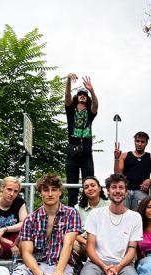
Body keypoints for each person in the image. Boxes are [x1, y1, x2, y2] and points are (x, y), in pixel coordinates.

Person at [65, 73, 98, 208]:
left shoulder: (90, 113)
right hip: (72, 154)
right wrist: (68, 80)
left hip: (86, 154)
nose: (82, 96)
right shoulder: (71, 111)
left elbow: (96, 106)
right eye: (80, 94)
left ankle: (88, 210)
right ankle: (72, 212)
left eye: (84, 94)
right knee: (72, 187)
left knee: (89, 184)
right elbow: (67, 98)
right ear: (77, 97)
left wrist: (91, 90)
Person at [114, 131, 151, 210]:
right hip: (125, 191)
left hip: (141, 192)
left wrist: (149, 181)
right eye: (137, 141)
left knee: (139, 216)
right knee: (123, 216)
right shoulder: (125, 155)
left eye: (142, 142)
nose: (140, 144)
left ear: (146, 143)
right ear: (134, 141)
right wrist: (116, 158)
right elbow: (118, 175)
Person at [73, 176, 110, 262]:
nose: (90, 188)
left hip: (105, 242)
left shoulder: (109, 205)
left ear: (99, 188)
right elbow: (74, 233)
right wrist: (88, 243)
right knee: (70, 243)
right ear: (83, 191)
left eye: (93, 185)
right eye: (86, 187)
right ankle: (76, 268)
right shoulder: (77, 208)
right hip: (84, 241)